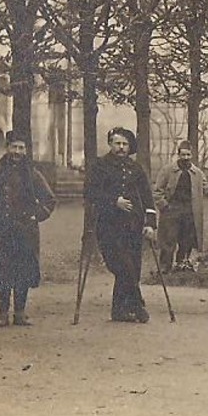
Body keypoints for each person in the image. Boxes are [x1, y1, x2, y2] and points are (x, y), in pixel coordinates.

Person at [0, 131, 56, 326]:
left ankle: (20, 312)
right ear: (7, 148)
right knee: (1, 271)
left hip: (25, 231)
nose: (17, 151)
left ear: (26, 150)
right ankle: (2, 313)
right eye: (14, 147)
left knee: (23, 271)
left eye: (21, 148)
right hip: (1, 230)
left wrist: (36, 215)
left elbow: (49, 200)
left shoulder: (33, 175)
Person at [83, 126, 158, 323]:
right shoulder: (99, 166)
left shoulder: (136, 169)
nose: (121, 147)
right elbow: (90, 193)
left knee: (132, 267)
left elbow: (147, 198)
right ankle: (137, 305)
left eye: (125, 144)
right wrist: (113, 200)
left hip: (133, 227)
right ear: (110, 144)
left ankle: (119, 311)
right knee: (123, 267)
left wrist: (150, 224)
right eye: (117, 143)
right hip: (108, 227)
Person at [153, 140, 208, 274]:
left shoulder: (197, 173)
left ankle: (181, 265)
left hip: (190, 212)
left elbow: (206, 189)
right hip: (171, 211)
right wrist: (165, 206)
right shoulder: (168, 170)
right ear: (178, 155)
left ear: (192, 156)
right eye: (183, 155)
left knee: (186, 240)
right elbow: (157, 191)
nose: (185, 158)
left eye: (188, 155)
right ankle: (164, 268)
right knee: (168, 241)